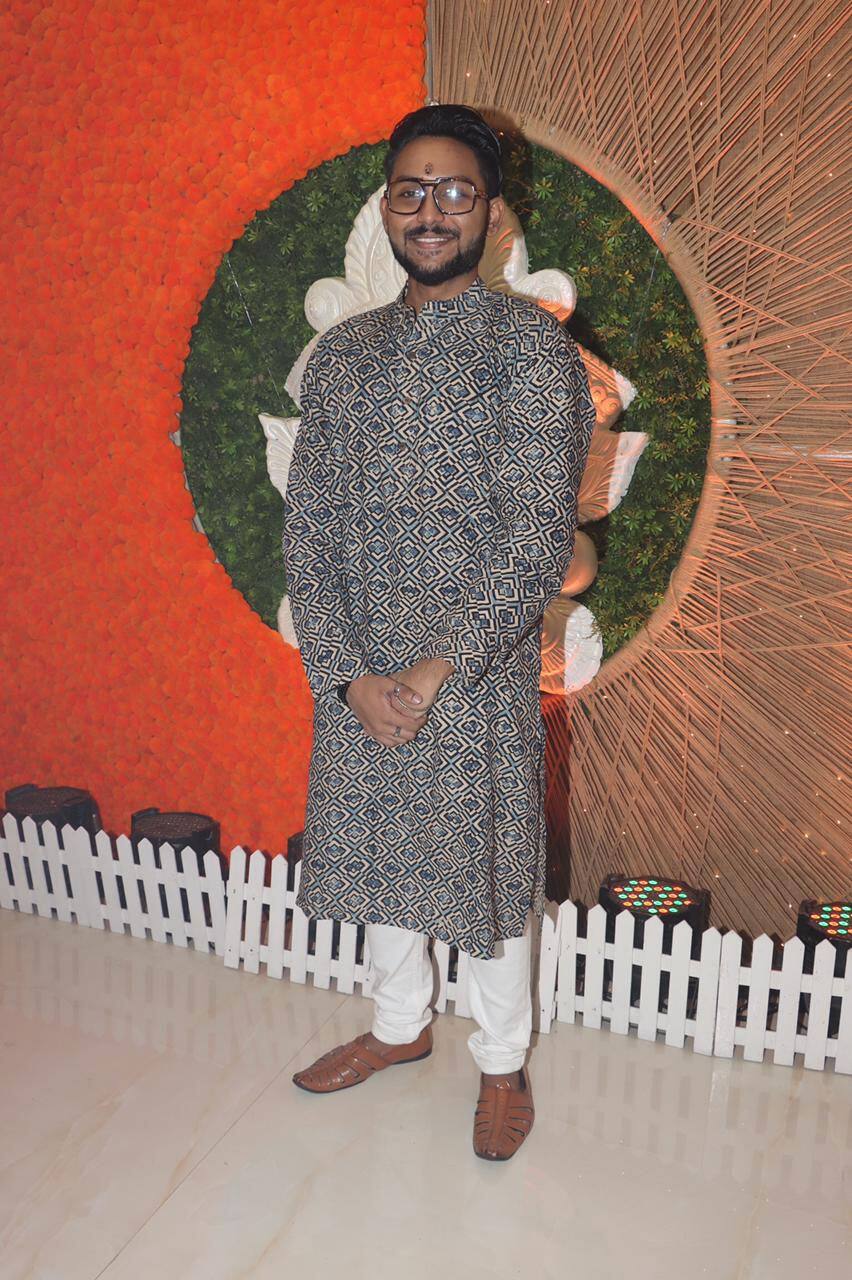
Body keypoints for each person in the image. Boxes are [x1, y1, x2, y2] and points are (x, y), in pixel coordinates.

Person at [281, 104, 595, 1161]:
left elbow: (534, 535)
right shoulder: (341, 357)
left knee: (488, 875)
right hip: (365, 665)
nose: (431, 211)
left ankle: (501, 1064)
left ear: (491, 214)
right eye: (411, 190)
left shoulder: (529, 354)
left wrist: (433, 666)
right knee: (383, 858)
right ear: (386, 207)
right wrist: (347, 673)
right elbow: (309, 528)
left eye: (454, 191)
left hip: (474, 668)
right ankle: (398, 1028)